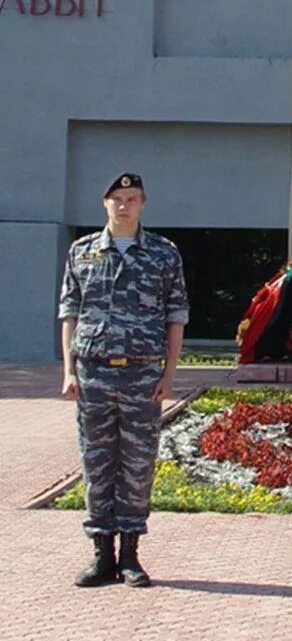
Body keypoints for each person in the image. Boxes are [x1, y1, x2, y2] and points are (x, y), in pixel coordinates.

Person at [59, 172, 189, 587]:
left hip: (142, 374)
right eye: (117, 198)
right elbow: (70, 313)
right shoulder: (82, 252)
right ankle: (102, 555)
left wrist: (170, 373)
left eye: (132, 198)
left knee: (136, 464)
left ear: (143, 204)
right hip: (93, 373)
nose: (123, 206)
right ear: (104, 204)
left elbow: (176, 316)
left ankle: (131, 555)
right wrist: (68, 369)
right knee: (96, 463)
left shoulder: (163, 254)